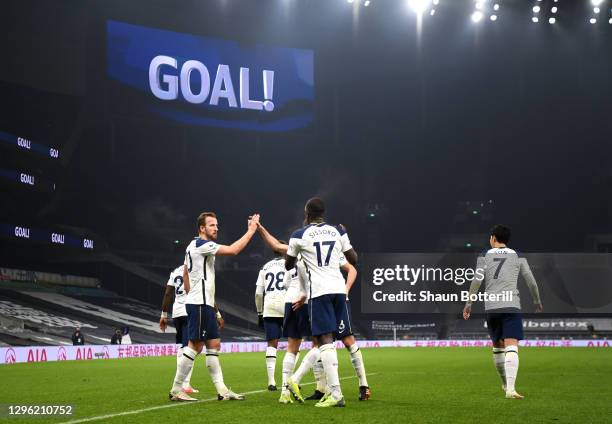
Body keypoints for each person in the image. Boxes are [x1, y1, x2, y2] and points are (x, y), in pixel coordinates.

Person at [168, 211, 260, 402]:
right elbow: (233, 250)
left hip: (204, 303)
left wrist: (192, 293)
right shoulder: (202, 245)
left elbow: (186, 272)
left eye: (217, 225)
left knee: (213, 345)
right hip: (199, 304)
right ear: (202, 228)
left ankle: (223, 390)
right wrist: (251, 230)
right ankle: (176, 389)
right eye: (212, 225)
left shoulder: (192, 246)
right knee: (195, 346)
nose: (216, 228)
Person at [285, 197, 358, 408]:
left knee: (323, 340)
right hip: (338, 289)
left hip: (319, 292)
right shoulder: (337, 231)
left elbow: (289, 265)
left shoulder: (299, 234)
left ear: (306, 213)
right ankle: (330, 391)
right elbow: (353, 259)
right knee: (330, 340)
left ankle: (335, 393)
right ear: (323, 213)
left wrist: (296, 252)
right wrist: (345, 236)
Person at [463, 224, 543, 400]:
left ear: (492, 238)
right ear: (507, 240)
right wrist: (537, 300)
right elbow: (531, 281)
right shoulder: (518, 256)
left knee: (498, 348)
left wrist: (469, 303)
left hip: (492, 306)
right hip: (511, 305)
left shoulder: (484, 255)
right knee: (511, 346)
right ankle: (511, 389)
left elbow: (476, 280)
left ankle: (505, 383)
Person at [255, 244, 290, 391]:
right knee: (293, 343)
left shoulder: (265, 267)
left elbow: (258, 294)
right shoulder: (290, 264)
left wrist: (259, 313)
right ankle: (288, 381)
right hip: (286, 305)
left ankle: (271, 382)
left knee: (271, 345)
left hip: (269, 307)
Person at [160, 265, 198, 394]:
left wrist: (164, 315)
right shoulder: (194, 269)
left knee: (182, 346)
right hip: (189, 311)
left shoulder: (174, 271)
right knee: (191, 347)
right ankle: (184, 384)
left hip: (176, 313)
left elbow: (167, 293)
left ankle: (184, 383)